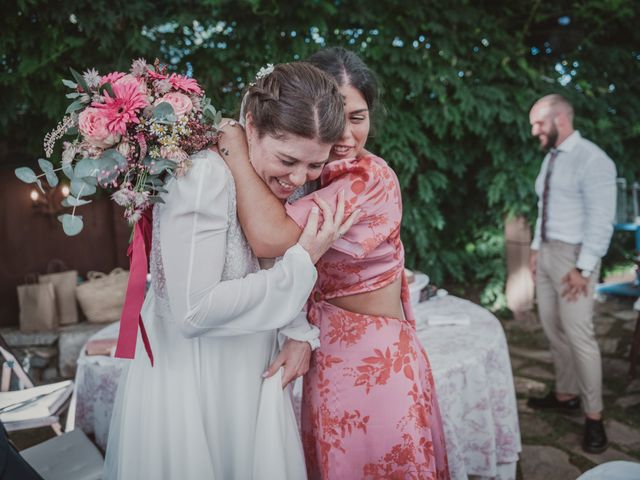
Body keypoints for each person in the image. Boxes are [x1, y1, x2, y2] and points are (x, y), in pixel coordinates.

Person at [103, 62, 358, 479]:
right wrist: (301, 263)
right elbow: (194, 310)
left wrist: (297, 329)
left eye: (314, 166)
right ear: (251, 126)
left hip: (247, 372)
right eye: (288, 160)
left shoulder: (264, 174)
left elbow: (259, 263)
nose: (298, 178)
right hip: (198, 383)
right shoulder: (203, 177)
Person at [218, 47, 450, 479]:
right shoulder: (314, 174)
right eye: (336, 117)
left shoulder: (367, 178)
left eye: (357, 117)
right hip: (327, 355)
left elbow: (271, 239)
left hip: (373, 357)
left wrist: (233, 147)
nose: (345, 134)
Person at [527, 94, 616, 454]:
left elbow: (601, 219)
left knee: (580, 336)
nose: (534, 131)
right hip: (547, 253)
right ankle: (566, 395)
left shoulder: (592, 159)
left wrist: (583, 268)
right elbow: (543, 206)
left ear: (559, 119)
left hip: (574, 261)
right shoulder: (552, 158)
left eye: (538, 123)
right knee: (553, 327)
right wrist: (535, 248)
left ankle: (594, 417)